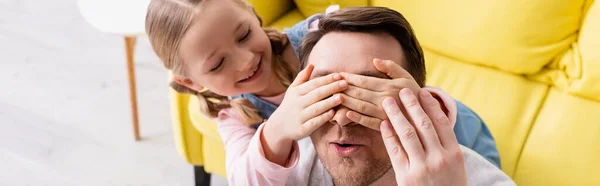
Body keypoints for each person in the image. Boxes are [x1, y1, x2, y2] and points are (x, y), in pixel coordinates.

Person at [221, 6, 514, 185]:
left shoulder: (471, 177)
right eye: (327, 91)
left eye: (369, 91)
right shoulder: (289, 165)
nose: (344, 118)